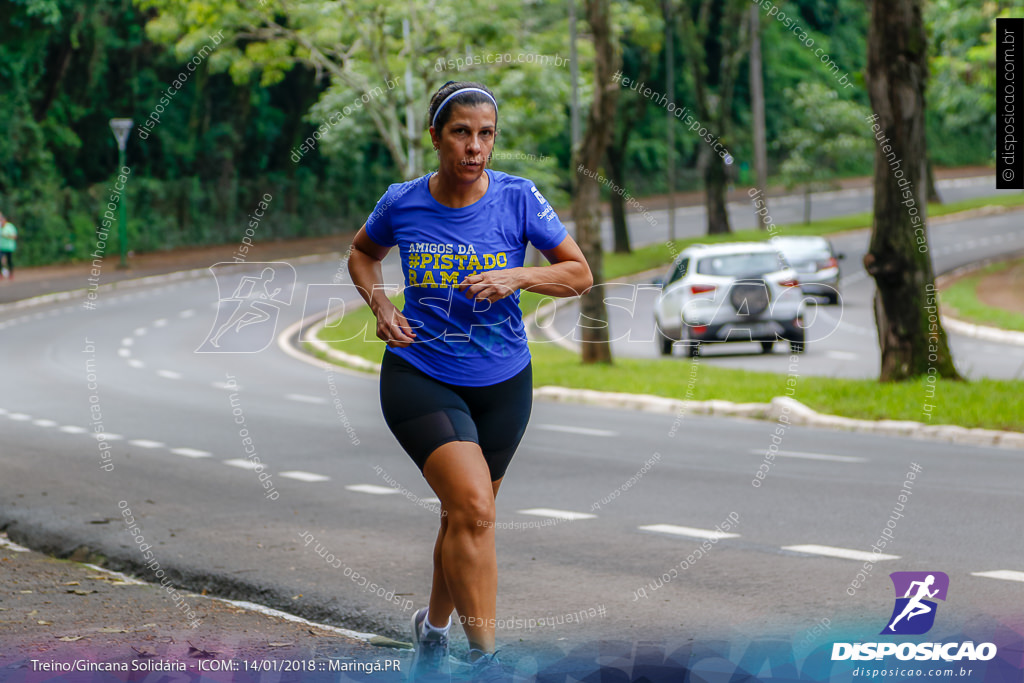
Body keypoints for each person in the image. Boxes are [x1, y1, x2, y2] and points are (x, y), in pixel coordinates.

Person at [347, 80, 592, 682]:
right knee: (476, 509)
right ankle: (485, 659)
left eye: (486, 134)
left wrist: (519, 277)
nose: (475, 147)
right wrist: (381, 307)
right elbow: (361, 253)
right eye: (461, 132)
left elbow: (578, 273)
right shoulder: (402, 202)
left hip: (504, 379)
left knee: (464, 518)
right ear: (435, 137)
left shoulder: (518, 199)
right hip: (421, 371)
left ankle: (431, 634)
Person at [0, 211, 17, 280]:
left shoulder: (10, 226)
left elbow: (14, 236)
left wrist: (6, 236)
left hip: (9, 247)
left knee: (9, 261)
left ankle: (11, 274)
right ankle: (1, 274)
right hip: (1, 247)